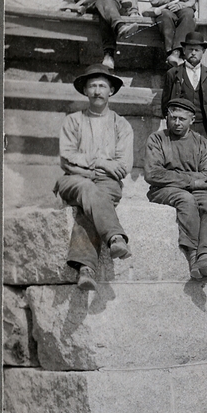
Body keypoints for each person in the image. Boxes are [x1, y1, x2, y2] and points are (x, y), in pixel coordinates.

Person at [54, 65, 134, 292]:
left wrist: (88, 165)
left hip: (107, 184)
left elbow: (123, 167)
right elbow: (66, 159)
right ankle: (115, 237)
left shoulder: (121, 125)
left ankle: (86, 269)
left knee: (88, 206)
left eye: (102, 86)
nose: (97, 91)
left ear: (111, 91)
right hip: (73, 181)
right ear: (85, 91)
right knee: (88, 188)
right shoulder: (73, 121)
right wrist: (101, 163)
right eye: (92, 86)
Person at [144, 98, 207, 282]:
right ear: (167, 117)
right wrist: (192, 180)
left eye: (182, 119)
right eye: (173, 118)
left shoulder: (202, 143)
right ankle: (194, 256)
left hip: (196, 190)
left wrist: (175, 176)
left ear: (192, 120)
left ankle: (206, 256)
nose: (177, 123)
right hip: (164, 190)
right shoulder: (157, 139)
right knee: (186, 200)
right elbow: (153, 173)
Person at [161, 32, 207, 142]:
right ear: (184, 50)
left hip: (204, 128)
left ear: (203, 52)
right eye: (190, 49)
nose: (193, 53)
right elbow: (165, 104)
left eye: (197, 50)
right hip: (181, 128)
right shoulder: (173, 73)